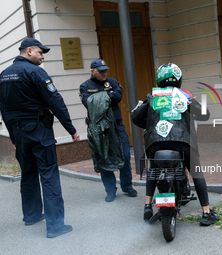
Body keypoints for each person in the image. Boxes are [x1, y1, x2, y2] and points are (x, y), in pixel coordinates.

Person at [0, 38, 80, 238]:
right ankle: (55, 226)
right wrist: (71, 129)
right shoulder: (35, 72)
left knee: (28, 174)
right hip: (39, 132)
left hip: (19, 133)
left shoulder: (3, 75)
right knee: (49, 174)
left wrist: (13, 136)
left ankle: (32, 215)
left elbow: (4, 110)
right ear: (29, 51)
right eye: (40, 53)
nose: (42, 57)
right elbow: (55, 101)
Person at [131, 63, 219, 226]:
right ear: (178, 79)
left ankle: (147, 206)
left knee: (154, 170)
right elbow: (204, 114)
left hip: (155, 143)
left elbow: (136, 118)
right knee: (197, 173)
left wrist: (150, 122)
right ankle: (206, 212)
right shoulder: (185, 95)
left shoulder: (152, 95)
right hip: (183, 141)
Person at [79, 59, 137, 202]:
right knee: (104, 158)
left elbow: (118, 95)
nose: (104, 73)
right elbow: (89, 103)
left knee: (124, 155)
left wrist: (100, 97)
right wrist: (108, 96)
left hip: (117, 126)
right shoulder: (85, 86)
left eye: (105, 70)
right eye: (100, 70)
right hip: (100, 129)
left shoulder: (112, 81)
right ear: (92, 71)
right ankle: (110, 191)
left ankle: (127, 186)